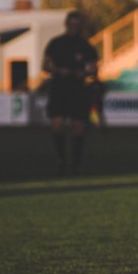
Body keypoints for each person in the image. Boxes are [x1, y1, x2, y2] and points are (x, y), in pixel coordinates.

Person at [42, 11, 98, 175]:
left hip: (78, 90)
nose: (74, 27)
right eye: (71, 24)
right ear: (66, 24)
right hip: (59, 88)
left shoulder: (86, 46)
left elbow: (93, 69)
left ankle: (76, 164)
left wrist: (84, 73)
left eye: (77, 24)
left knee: (78, 127)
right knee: (57, 124)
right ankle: (61, 160)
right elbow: (45, 66)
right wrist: (59, 70)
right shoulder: (56, 43)